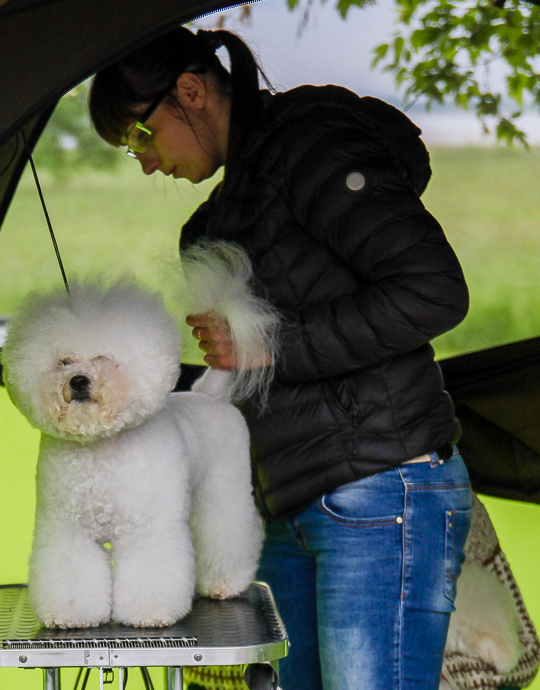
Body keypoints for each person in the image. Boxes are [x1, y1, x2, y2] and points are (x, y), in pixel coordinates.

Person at [88, 27, 472, 690]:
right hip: (280, 509)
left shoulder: (312, 145)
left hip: (380, 490)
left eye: (139, 136)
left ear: (190, 91)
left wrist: (269, 345)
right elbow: (250, 374)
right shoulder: (207, 229)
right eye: (129, 150)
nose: (144, 163)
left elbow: (432, 291)